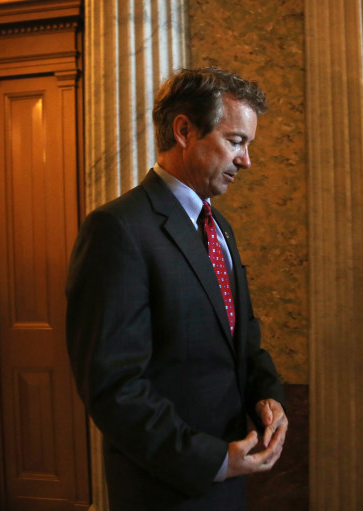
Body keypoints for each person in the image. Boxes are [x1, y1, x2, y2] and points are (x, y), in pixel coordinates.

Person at [66, 67, 288, 511]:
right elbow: (113, 386)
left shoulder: (218, 226)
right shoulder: (117, 228)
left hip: (230, 473)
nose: (246, 161)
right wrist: (213, 461)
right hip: (166, 486)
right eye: (236, 141)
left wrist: (268, 394)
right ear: (184, 130)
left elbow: (240, 335)